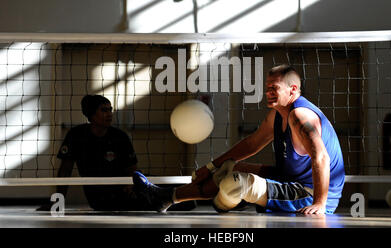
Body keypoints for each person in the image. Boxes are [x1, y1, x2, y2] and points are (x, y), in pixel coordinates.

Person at [132, 64, 345, 215]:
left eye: (274, 88)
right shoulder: (278, 114)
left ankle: (229, 203)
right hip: (289, 177)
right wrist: (211, 166)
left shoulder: (301, 116)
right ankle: (165, 197)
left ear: (293, 90)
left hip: (309, 192)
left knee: (235, 184)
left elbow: (322, 157)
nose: (268, 92)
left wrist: (319, 202)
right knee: (229, 169)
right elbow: (252, 144)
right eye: (267, 87)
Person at [41, 94, 149, 211]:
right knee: (155, 196)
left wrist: (132, 186)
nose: (109, 114)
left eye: (110, 110)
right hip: (100, 198)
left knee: (158, 183)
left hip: (125, 191)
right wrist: (58, 202)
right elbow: (65, 171)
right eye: (104, 110)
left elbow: (133, 170)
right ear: (91, 114)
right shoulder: (76, 136)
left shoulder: (120, 136)